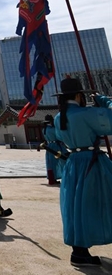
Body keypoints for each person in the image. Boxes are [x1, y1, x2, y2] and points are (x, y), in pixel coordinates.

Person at [54, 77, 112, 267]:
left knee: (76, 206)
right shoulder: (85, 113)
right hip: (90, 163)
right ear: (79, 95)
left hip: (73, 163)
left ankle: (79, 251)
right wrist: (105, 102)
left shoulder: (58, 117)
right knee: (100, 201)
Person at [42, 114, 66, 185]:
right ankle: (59, 177)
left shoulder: (44, 130)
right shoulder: (53, 129)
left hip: (48, 146)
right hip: (56, 146)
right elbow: (59, 137)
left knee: (50, 163)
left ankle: (52, 178)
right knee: (60, 161)